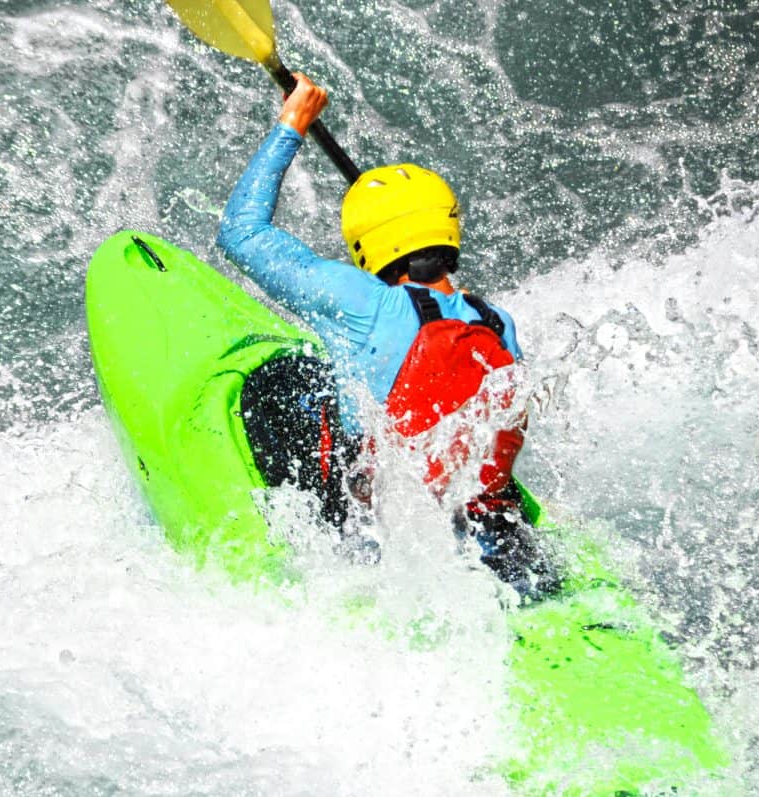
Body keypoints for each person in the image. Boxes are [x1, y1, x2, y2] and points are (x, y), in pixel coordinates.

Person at [217, 74, 557, 596]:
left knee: (282, 378)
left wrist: (293, 124)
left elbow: (241, 232)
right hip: (486, 522)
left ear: (365, 242)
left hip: (380, 522)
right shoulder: (495, 321)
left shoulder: (360, 301)